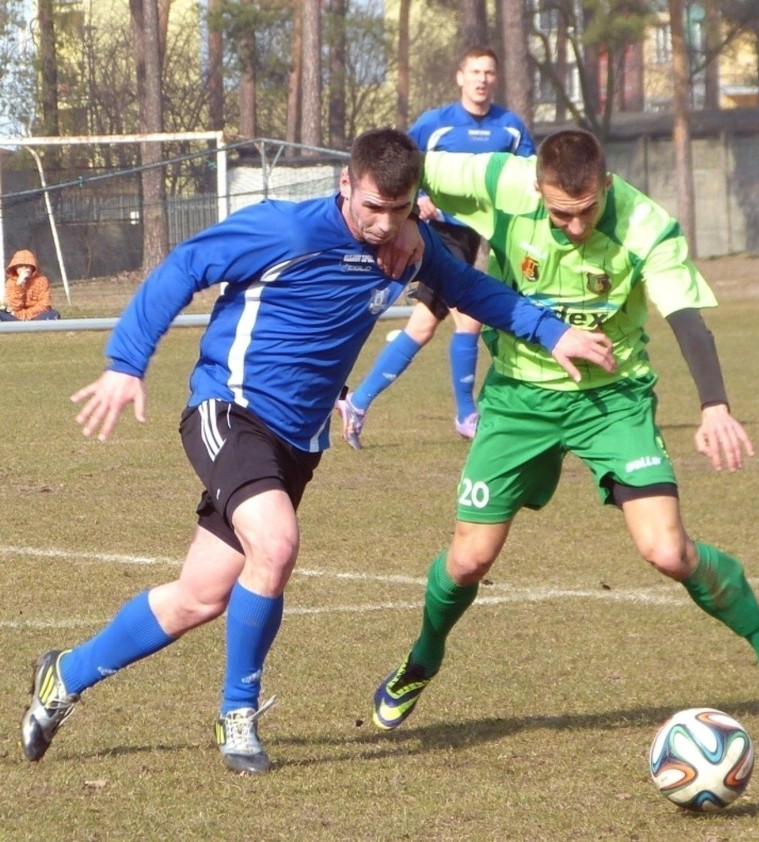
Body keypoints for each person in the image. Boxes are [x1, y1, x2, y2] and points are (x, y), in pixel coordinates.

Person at [20, 128, 615, 775]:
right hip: (230, 408)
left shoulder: (408, 248)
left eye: (399, 209)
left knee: (199, 595)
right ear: (344, 187)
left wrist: (552, 332)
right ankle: (237, 714)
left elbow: (476, 292)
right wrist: (126, 361)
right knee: (275, 545)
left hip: (298, 442)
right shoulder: (287, 232)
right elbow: (186, 266)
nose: (384, 225)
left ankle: (64, 675)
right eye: (371, 209)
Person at [371, 129, 759, 732]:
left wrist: (715, 405)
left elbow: (686, 318)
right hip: (519, 397)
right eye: (561, 213)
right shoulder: (498, 181)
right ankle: (422, 660)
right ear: (536, 187)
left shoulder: (644, 223)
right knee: (467, 562)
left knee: (668, 550)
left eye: (587, 211)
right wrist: (405, 221)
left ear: (606, 186)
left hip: (612, 398)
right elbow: (404, 164)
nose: (576, 227)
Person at [337, 45, 535, 449]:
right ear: (460, 77)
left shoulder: (511, 127)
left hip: (489, 235)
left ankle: (362, 401)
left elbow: (530, 175)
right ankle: (463, 414)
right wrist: (419, 199)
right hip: (443, 235)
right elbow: (399, 166)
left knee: (434, 325)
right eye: (475, 71)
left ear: (495, 79)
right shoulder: (436, 124)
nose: (482, 79)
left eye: (489, 72)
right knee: (453, 322)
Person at [0, 249, 61, 322]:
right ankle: (17, 325)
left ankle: (32, 324)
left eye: (27, 266)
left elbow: (45, 303)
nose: (24, 269)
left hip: (36, 315)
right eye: (20, 266)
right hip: (15, 315)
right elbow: (13, 306)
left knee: (53, 314)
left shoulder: (42, 280)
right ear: (15, 267)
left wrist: (27, 315)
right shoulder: (11, 282)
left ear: (33, 267)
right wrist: (18, 285)